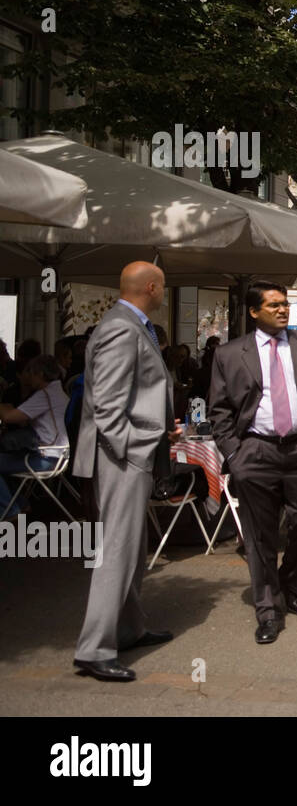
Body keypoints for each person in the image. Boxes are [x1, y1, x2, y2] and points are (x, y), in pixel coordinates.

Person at [73, 261, 181, 683]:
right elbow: (109, 406)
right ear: (151, 288)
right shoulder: (122, 327)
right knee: (117, 550)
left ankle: (128, 628)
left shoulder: (127, 323)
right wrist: (137, 448)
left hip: (129, 452)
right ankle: (94, 648)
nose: (164, 295)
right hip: (122, 457)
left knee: (132, 549)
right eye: (164, 288)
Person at [208, 281, 297, 645]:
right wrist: (234, 454)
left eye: (285, 304)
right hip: (255, 452)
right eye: (273, 305)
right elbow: (219, 409)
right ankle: (268, 610)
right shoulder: (230, 354)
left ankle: (291, 586)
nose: (282, 309)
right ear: (254, 311)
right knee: (260, 536)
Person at [0, 355, 70, 518]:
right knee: (5, 458)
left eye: (31, 373)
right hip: (57, 454)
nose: (28, 377)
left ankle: (9, 510)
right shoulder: (57, 391)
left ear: (40, 374)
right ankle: (20, 504)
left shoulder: (44, 395)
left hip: (48, 458)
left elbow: (9, 417)